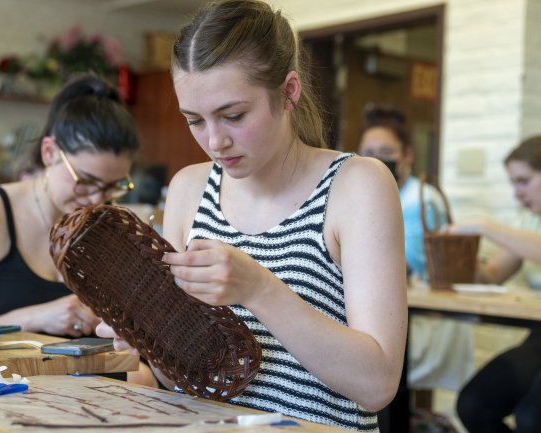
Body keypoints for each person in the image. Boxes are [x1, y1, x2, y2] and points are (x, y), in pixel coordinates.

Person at [98, 1, 407, 430]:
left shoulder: (356, 185)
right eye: (195, 120)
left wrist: (259, 289)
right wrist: (147, 338)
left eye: (234, 115)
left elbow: (377, 385)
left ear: (289, 91)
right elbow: (182, 379)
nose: (215, 141)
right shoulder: (190, 188)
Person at [0, 74, 136, 336]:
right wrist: (33, 318)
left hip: (90, 376)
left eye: (112, 186)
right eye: (85, 181)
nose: (97, 199)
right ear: (49, 152)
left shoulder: (108, 226)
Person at [452, 135, 541, 433]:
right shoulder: (531, 223)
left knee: (533, 419)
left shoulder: (536, 235)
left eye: (523, 181)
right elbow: (491, 275)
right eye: (513, 183)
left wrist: (483, 225)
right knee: (473, 405)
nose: (517, 193)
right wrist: (461, 256)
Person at [358, 105, 474, 396]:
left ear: (407, 155)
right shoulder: (365, 195)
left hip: (427, 323)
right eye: (368, 152)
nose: (377, 159)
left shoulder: (420, 200)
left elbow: (401, 267)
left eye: (386, 151)